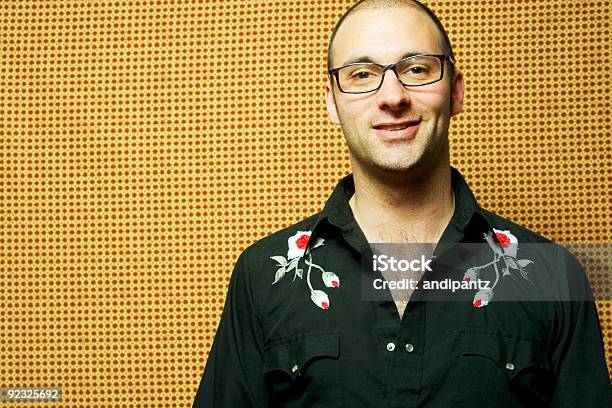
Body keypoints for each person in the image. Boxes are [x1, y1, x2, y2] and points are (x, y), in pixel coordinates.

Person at [192, 0, 611, 406]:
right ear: (332, 102)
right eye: (361, 74)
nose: (393, 96)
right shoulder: (262, 274)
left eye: (416, 69)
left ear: (456, 91)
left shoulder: (554, 277)